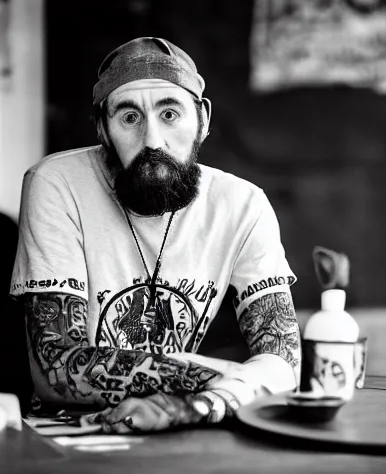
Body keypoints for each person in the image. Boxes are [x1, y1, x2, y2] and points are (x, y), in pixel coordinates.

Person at [9, 37, 301, 433]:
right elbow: (58, 370)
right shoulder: (58, 184)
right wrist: (227, 379)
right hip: (68, 431)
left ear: (203, 119)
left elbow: (283, 361)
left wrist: (197, 405)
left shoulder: (243, 205)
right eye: (129, 117)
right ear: (102, 127)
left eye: (170, 114)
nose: (152, 140)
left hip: (179, 421)